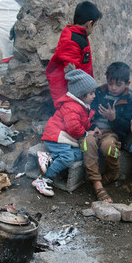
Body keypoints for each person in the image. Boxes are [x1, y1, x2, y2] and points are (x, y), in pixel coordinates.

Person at [33, 66, 97, 197]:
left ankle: (49, 157)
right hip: (56, 137)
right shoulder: (72, 107)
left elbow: (82, 122)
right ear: (81, 94)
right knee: (67, 158)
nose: (94, 96)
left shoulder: (81, 106)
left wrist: (91, 127)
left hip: (65, 138)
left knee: (79, 154)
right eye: (91, 93)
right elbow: (73, 127)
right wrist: (86, 134)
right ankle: (43, 179)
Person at [82, 62, 132, 203]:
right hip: (93, 130)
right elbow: (88, 112)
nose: (113, 88)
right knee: (87, 144)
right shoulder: (98, 92)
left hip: (112, 133)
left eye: (118, 85)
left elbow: (126, 127)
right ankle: (97, 183)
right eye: (110, 83)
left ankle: (113, 173)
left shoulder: (130, 101)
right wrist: (93, 126)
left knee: (108, 147)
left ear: (127, 83)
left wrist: (113, 118)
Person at [45, 1, 102, 109]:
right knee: (70, 118)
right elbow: (73, 73)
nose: (93, 28)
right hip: (70, 91)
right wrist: (84, 95)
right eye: (94, 25)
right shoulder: (72, 40)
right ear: (89, 24)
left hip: (80, 91)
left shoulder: (79, 35)